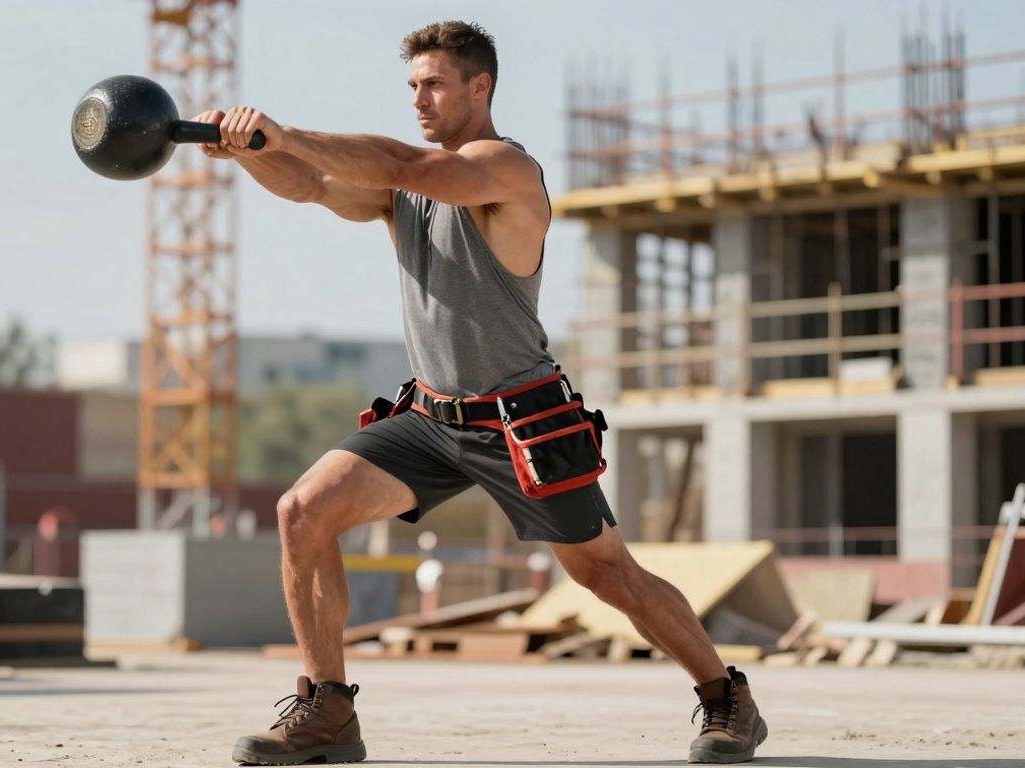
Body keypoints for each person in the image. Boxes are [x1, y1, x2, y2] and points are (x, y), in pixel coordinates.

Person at [196, 20, 767, 767]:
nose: (419, 99)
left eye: (434, 84)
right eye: (412, 86)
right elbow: (312, 185)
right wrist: (250, 152)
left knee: (607, 575)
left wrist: (286, 132)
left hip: (520, 420)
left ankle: (727, 698)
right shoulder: (404, 194)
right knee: (301, 511)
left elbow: (403, 163)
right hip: (430, 415)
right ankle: (329, 710)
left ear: (480, 87)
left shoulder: (504, 169)